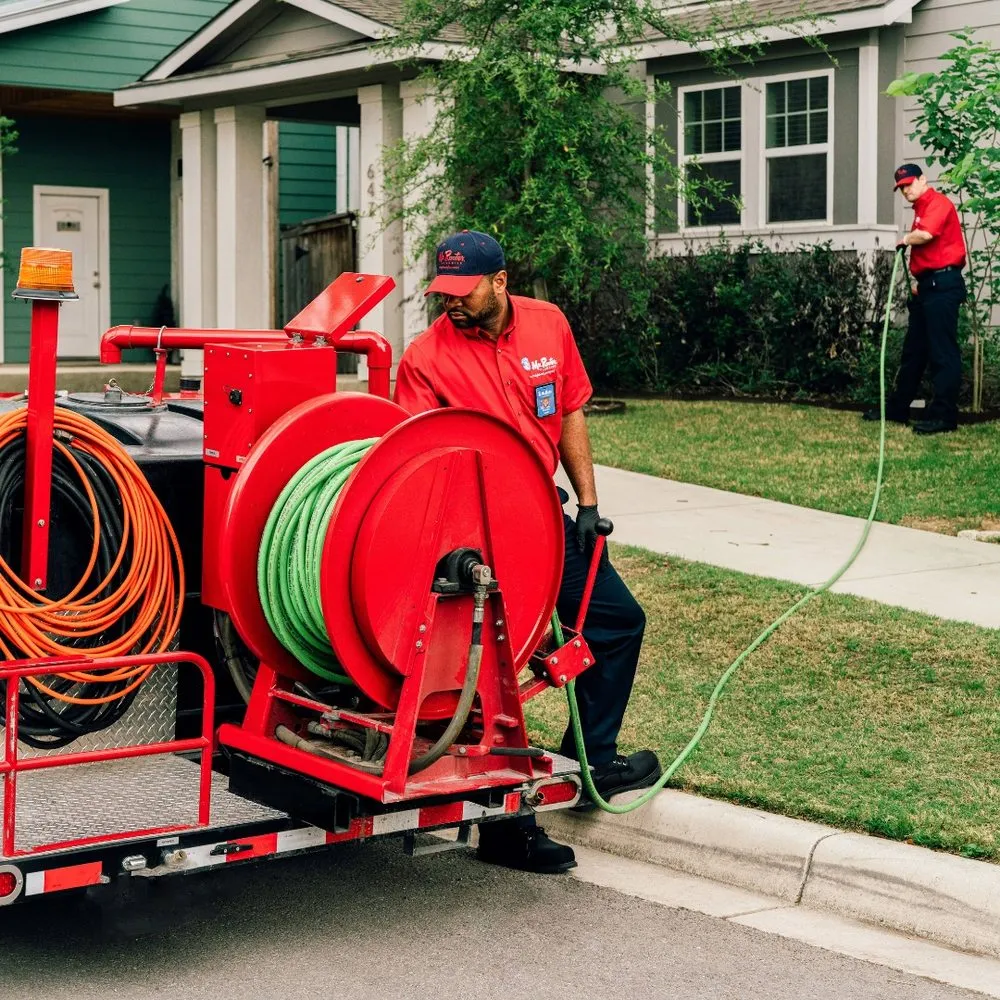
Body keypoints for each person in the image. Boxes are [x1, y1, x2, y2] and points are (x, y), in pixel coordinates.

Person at [394, 230, 662, 874]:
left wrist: (587, 504)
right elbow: (415, 459)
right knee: (494, 670)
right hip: (474, 536)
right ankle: (506, 828)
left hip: (544, 517)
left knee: (616, 622)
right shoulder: (425, 358)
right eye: (444, 292)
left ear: (500, 282)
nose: (451, 303)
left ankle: (591, 759)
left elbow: (569, 410)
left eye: (464, 291)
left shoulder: (549, 325)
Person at [863, 163, 967, 435]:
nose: (906, 191)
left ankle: (944, 417)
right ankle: (898, 410)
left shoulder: (937, 203)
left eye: (909, 184)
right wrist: (920, 283)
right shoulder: (920, 208)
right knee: (914, 352)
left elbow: (926, 235)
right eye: (901, 188)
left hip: (943, 286)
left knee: (942, 352)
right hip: (929, 287)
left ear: (923, 180)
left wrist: (906, 239)